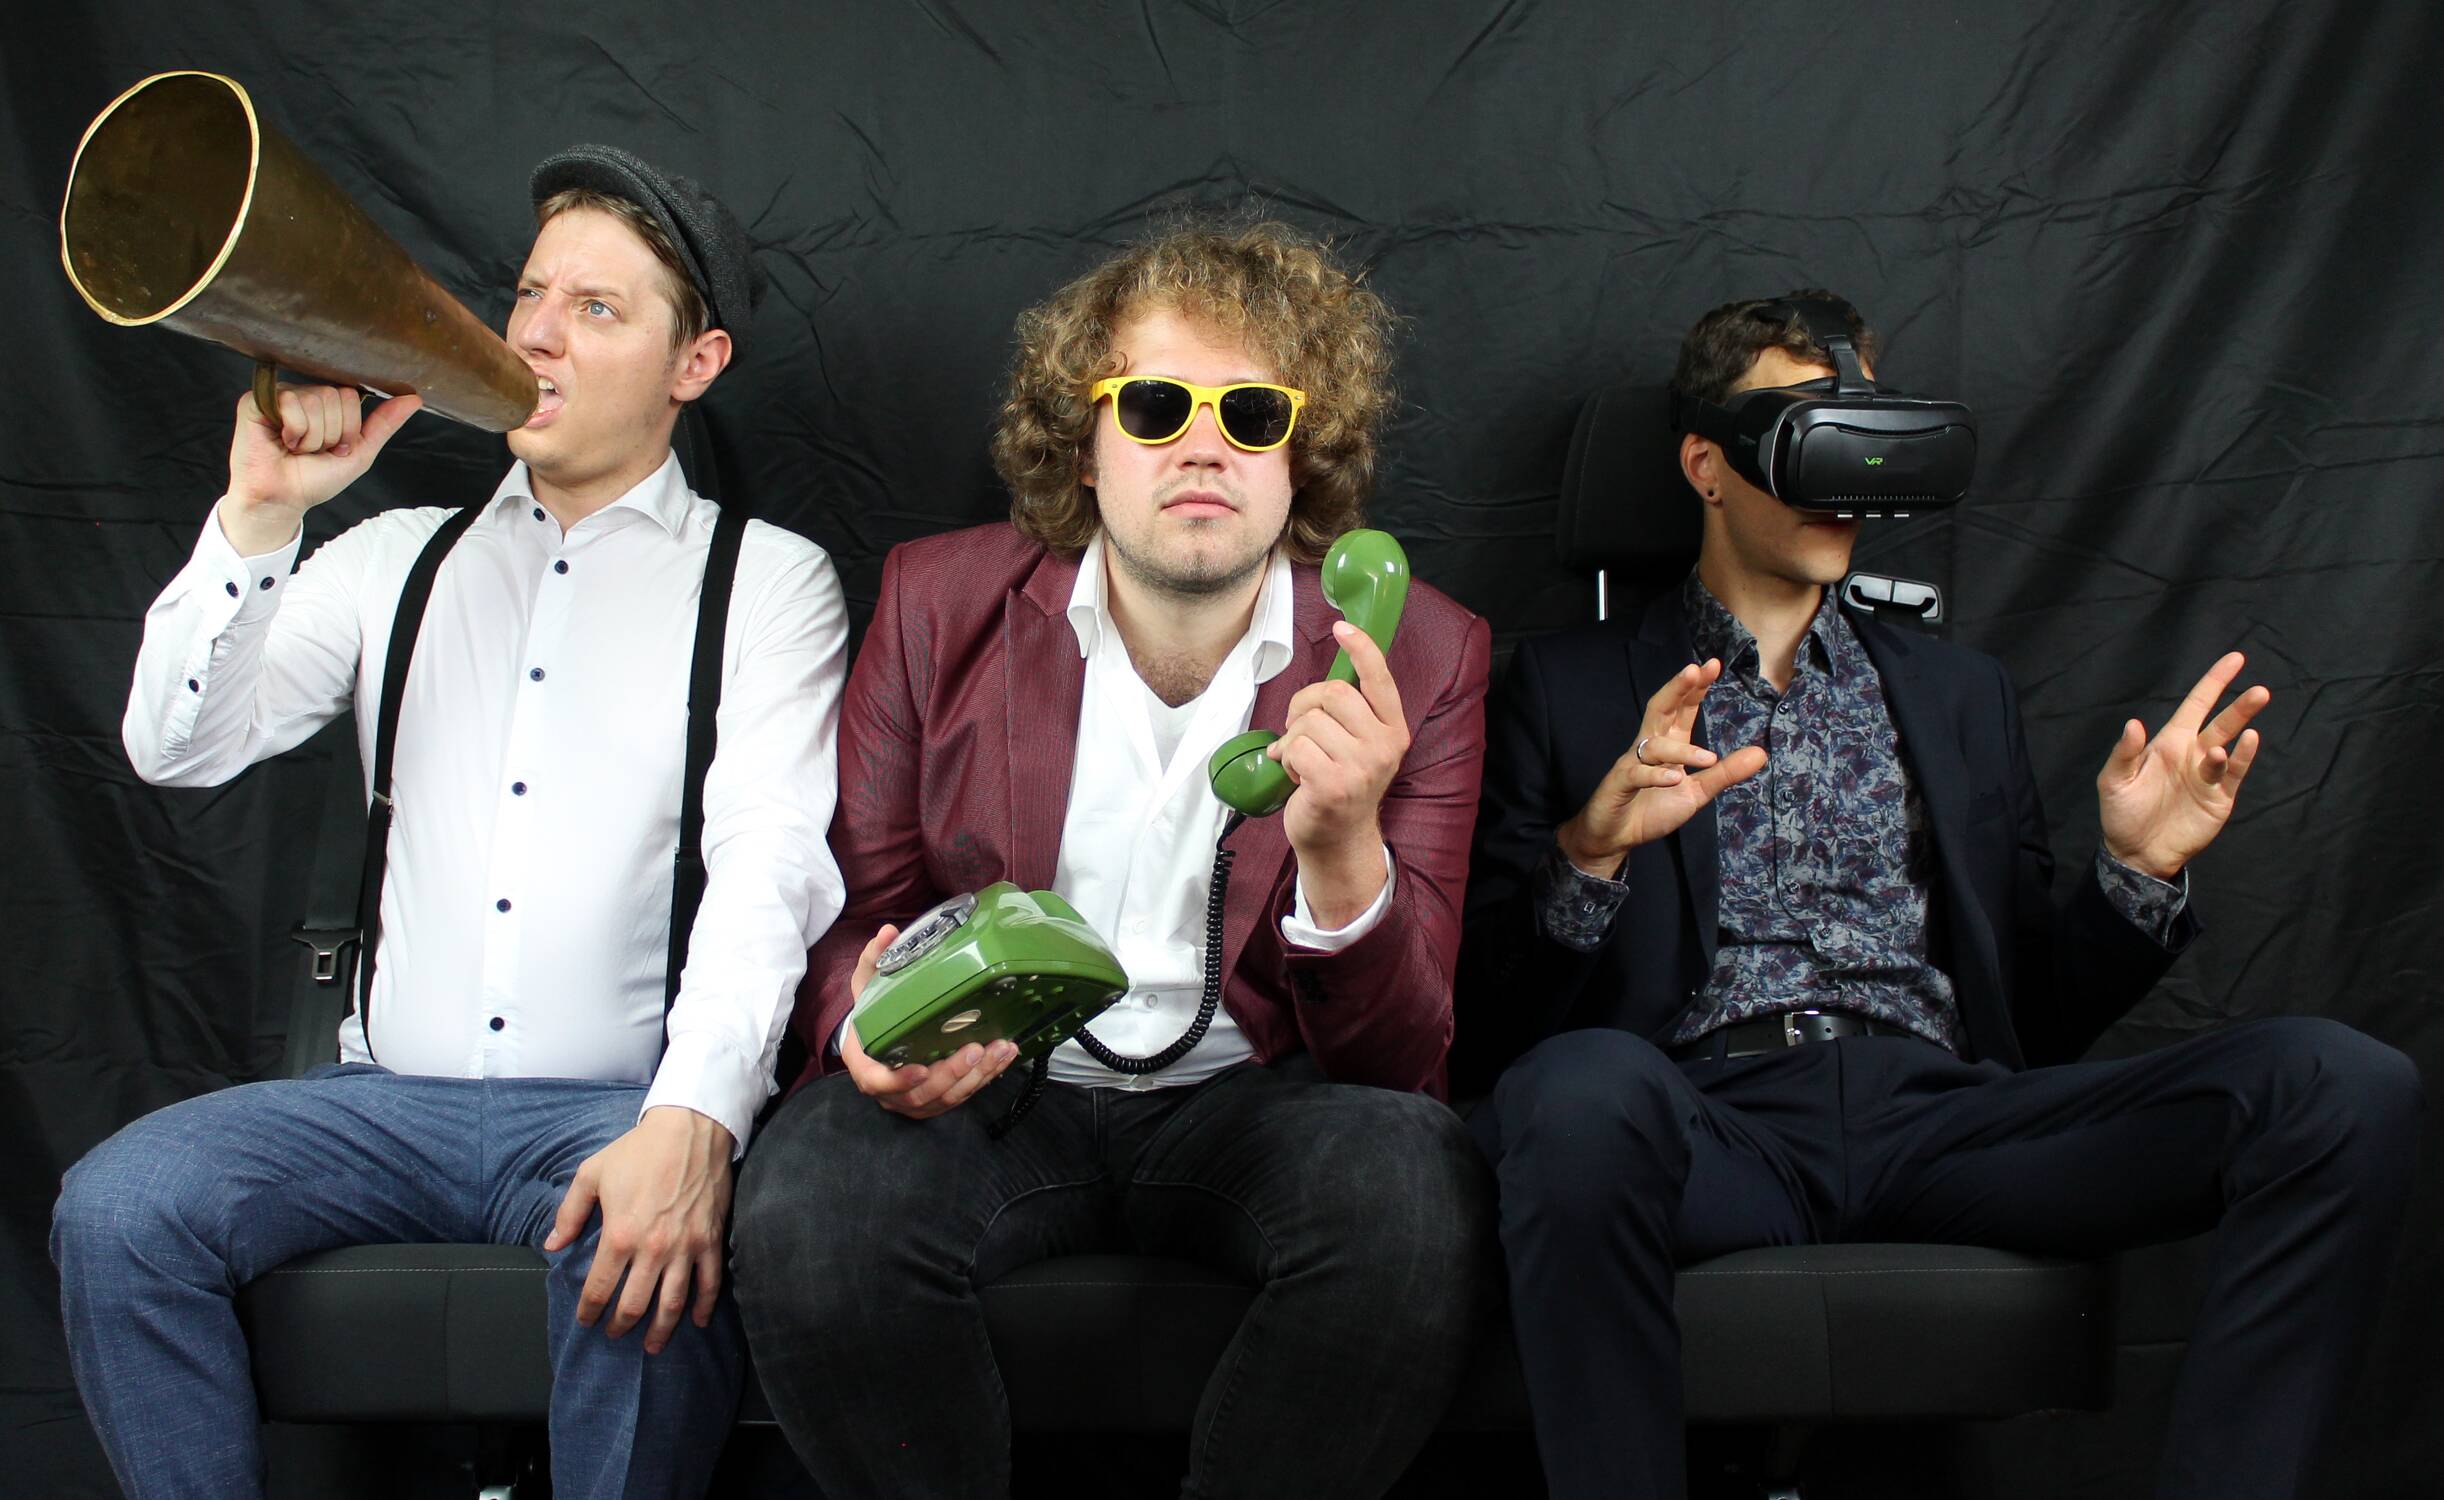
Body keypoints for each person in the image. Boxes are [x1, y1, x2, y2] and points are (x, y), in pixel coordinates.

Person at [1458, 291, 2421, 1500]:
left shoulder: (1959, 695)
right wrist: (1590, 851)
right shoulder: (1566, 687)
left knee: (2341, 1084)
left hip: (1939, 1121)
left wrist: (2137, 873)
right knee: (1573, 1089)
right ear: (1705, 464)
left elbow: (2036, 1016)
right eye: (1803, 427)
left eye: (1862, 428)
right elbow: (1487, 1022)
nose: (1844, 470)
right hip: (1707, 1120)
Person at [50, 145, 848, 1500]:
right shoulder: (391, 556)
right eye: (530, 294)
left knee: (633, 1262)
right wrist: (259, 515)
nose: (534, 333)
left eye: (595, 309)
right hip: (379, 1107)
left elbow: (769, 871)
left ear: (694, 363)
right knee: (120, 1211)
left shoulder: (766, 582)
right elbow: (175, 750)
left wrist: (692, 1119)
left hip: (609, 1107)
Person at [731, 220, 1496, 1498]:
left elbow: (1396, 1065)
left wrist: (1340, 850)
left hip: (1251, 1096)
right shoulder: (934, 603)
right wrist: (866, 1020)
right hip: (994, 1083)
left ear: (1299, 459)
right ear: (1083, 447)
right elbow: (854, 912)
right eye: (1153, 406)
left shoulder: (1420, 652)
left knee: (1414, 1198)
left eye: (1250, 413)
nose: (1203, 445)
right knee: (809, 1201)